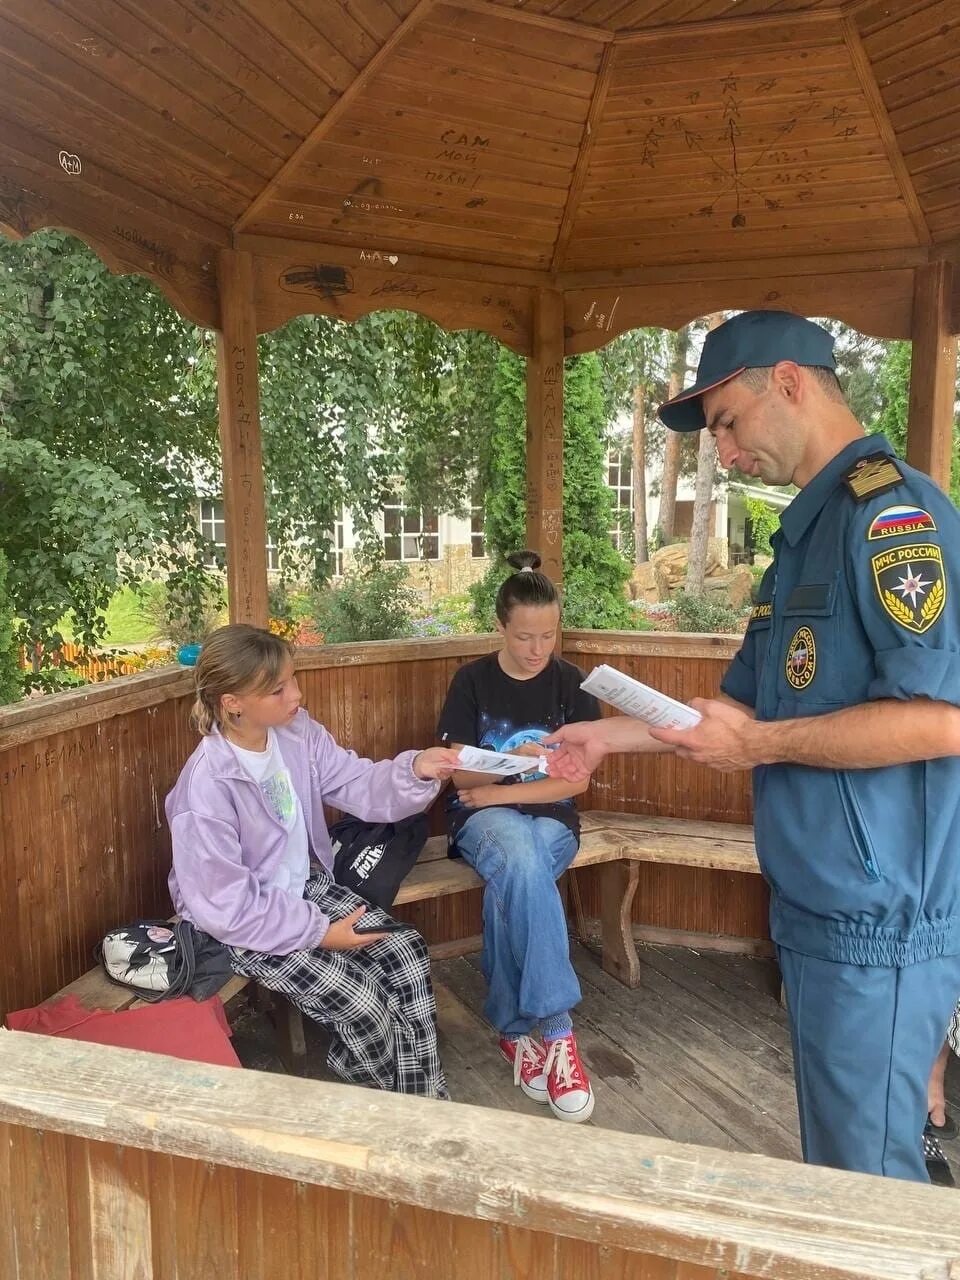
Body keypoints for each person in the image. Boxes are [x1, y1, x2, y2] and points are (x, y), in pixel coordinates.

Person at [546, 310, 960, 1180]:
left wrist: (761, 745)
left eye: (727, 424)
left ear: (790, 382)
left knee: (869, 1183)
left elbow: (943, 720)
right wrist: (602, 735)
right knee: (842, 1166)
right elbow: (727, 713)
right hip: (816, 911)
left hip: (878, 921)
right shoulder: (801, 546)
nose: (725, 455)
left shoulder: (891, 517)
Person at [165, 623, 460, 1097]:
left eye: (292, 680)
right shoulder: (206, 788)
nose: (296, 695)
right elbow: (225, 906)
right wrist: (320, 932)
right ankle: (385, 1092)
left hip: (305, 887)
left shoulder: (294, 734)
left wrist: (417, 769)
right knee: (365, 1004)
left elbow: (358, 784)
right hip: (242, 924)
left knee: (406, 953)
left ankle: (423, 1097)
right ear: (232, 703)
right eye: (279, 689)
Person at [436, 550, 602, 1122]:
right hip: (481, 822)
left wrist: (498, 789)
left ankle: (514, 1029)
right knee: (522, 862)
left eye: (549, 636)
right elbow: (458, 775)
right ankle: (556, 1032)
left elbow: (574, 786)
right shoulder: (472, 682)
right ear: (500, 627)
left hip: (547, 816)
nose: (537, 650)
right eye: (525, 636)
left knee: (523, 864)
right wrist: (516, 765)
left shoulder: (572, 683)